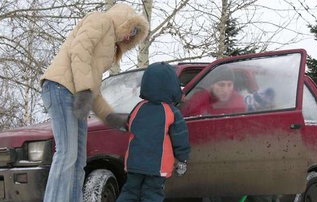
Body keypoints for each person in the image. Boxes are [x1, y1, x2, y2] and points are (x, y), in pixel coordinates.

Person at [39, 4, 149, 202]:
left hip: (76, 93)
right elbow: (79, 50)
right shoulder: (100, 20)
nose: (129, 37)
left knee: (79, 159)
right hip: (60, 88)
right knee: (67, 154)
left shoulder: (109, 49)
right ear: (124, 21)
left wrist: (110, 117)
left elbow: (93, 88)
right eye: (131, 30)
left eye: (134, 35)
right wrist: (83, 90)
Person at [116, 62, 191, 202]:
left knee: (130, 192)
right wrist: (182, 159)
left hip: (134, 163)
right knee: (152, 194)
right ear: (173, 88)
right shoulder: (172, 112)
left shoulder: (139, 107)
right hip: (158, 166)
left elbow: (129, 125)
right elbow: (180, 138)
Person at [181, 68, 247, 117]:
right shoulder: (199, 98)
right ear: (212, 85)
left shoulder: (236, 98)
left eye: (229, 85)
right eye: (221, 85)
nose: (226, 90)